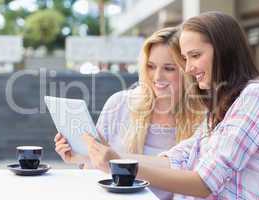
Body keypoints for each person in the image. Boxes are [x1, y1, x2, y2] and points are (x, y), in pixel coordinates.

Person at [81, 12, 259, 199]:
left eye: (195, 55)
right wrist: (109, 159)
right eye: (186, 58)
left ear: (224, 50)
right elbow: (177, 160)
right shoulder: (222, 107)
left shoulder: (254, 97)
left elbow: (204, 183)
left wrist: (121, 167)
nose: (188, 68)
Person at [54, 27, 204, 200]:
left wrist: (113, 159)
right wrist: (79, 158)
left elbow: (197, 183)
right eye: (151, 66)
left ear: (188, 70)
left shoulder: (203, 119)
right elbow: (96, 170)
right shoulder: (119, 104)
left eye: (169, 68)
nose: (157, 76)